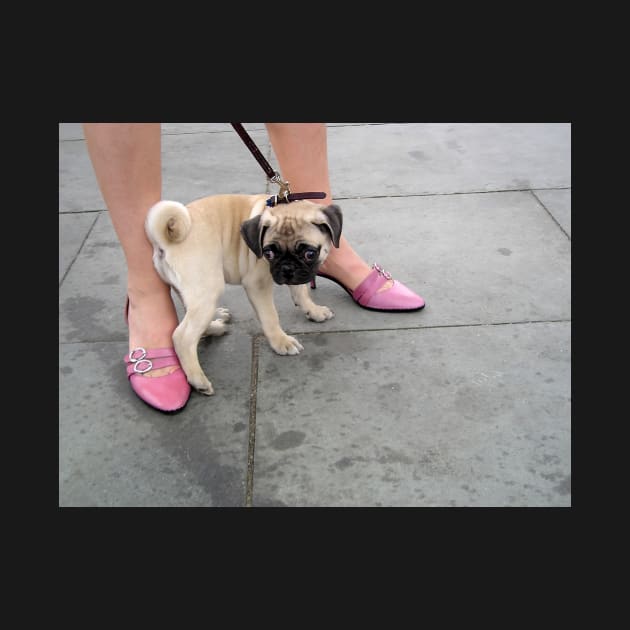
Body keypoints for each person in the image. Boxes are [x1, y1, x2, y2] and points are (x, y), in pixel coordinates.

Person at [82, 123, 425, 412]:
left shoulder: (276, 226)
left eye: (308, 255)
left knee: (210, 290)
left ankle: (329, 263)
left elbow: (286, 264)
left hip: (191, 238)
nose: (288, 269)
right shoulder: (258, 228)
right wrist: (275, 333)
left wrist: (303, 300)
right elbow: (258, 285)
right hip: (191, 247)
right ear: (256, 236)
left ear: (330, 229)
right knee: (212, 290)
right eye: (273, 254)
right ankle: (159, 309)